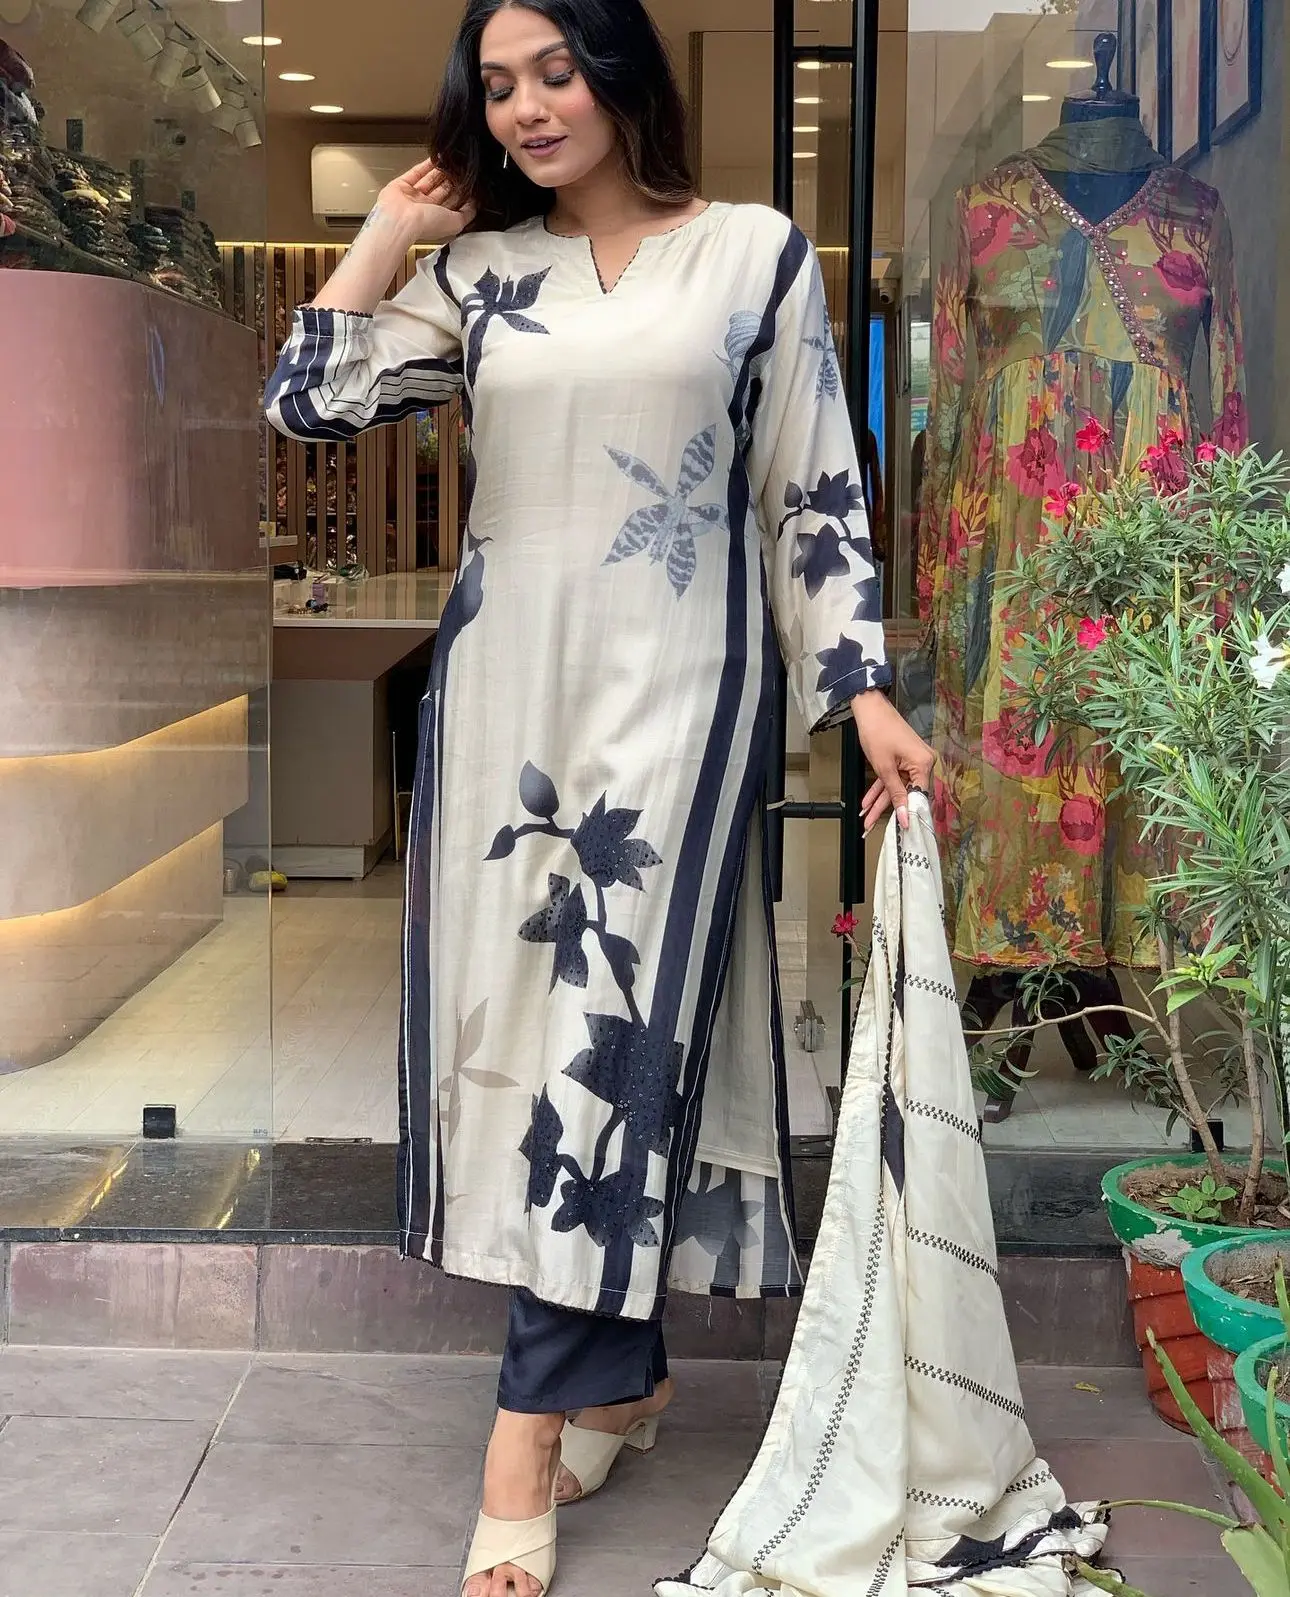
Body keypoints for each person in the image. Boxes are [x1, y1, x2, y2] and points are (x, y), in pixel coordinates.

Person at [265, 3, 934, 1593]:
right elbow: (307, 402)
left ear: (621, 73)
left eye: (554, 72)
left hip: (681, 701)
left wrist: (860, 690)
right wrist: (384, 234)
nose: (526, 108)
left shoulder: (752, 253)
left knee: (613, 1034)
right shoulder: (482, 276)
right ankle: (617, 1380)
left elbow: (810, 486)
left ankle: (526, 1427)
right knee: (519, 1032)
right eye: (498, 86)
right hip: (505, 703)